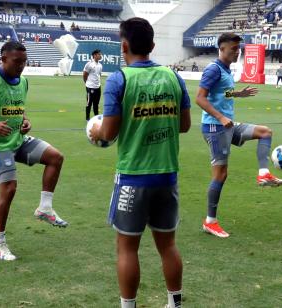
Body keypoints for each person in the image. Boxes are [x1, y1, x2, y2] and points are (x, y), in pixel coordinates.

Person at [89, 17, 191, 308]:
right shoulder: (174, 77)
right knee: (168, 246)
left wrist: (95, 130)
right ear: (152, 46)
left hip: (133, 177)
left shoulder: (120, 79)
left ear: (124, 45)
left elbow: (108, 133)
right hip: (167, 176)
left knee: (126, 248)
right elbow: (184, 125)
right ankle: (174, 304)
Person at [0, 41, 68, 261]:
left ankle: (45, 208)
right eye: (17, 61)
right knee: (9, 189)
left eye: (24, 61)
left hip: (18, 140)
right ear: (2, 59)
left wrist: (25, 121)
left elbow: (19, 108)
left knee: (55, 157)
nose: (22, 66)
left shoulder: (24, 81)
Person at [196, 32, 282, 239]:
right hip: (215, 127)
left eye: (238, 49)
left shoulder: (226, 70)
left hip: (227, 125)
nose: (237, 52)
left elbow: (220, 93)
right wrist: (220, 117)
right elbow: (200, 98)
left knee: (265, 132)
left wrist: (237, 94)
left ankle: (263, 174)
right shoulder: (213, 69)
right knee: (220, 175)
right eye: (233, 49)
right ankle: (210, 222)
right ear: (222, 48)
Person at [83, 49, 103, 121]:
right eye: (99, 54)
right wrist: (87, 83)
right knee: (89, 103)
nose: (100, 56)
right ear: (94, 55)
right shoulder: (89, 64)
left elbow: (99, 75)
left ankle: (96, 118)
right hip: (90, 87)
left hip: (98, 87)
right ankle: (87, 118)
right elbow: (85, 75)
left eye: (100, 54)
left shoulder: (100, 65)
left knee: (96, 104)